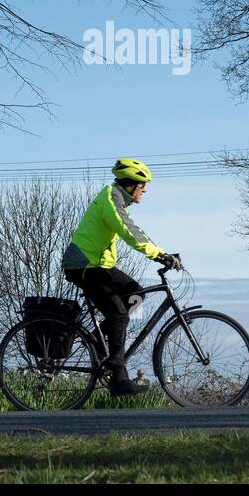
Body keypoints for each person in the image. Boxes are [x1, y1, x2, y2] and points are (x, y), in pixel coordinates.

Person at [62, 158, 183, 395]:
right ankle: (118, 377)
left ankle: (100, 340)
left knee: (135, 294)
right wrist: (158, 254)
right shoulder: (111, 198)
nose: (145, 190)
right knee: (119, 315)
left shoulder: (117, 199)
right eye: (142, 185)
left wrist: (161, 252)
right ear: (130, 185)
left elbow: (133, 229)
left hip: (99, 265)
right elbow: (128, 231)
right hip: (84, 265)